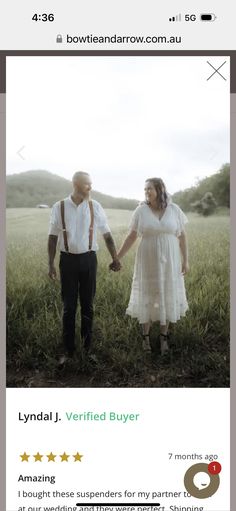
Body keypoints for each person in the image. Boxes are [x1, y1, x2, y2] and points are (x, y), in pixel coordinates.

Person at [48, 171, 121, 364]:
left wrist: (115, 258)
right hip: (67, 261)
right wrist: (51, 264)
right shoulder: (59, 207)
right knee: (68, 307)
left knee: (88, 305)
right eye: (87, 184)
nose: (90, 187)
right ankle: (69, 350)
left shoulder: (94, 206)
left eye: (91, 183)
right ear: (75, 184)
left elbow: (107, 234)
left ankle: (87, 349)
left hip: (89, 260)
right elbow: (53, 237)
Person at [115, 177, 189, 355]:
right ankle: (145, 338)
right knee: (148, 293)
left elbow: (182, 236)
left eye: (150, 188)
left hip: (171, 259)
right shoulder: (141, 210)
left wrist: (186, 260)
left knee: (167, 292)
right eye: (145, 189)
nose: (147, 192)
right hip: (147, 258)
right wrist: (117, 257)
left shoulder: (174, 209)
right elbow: (132, 236)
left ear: (160, 189)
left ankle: (164, 338)